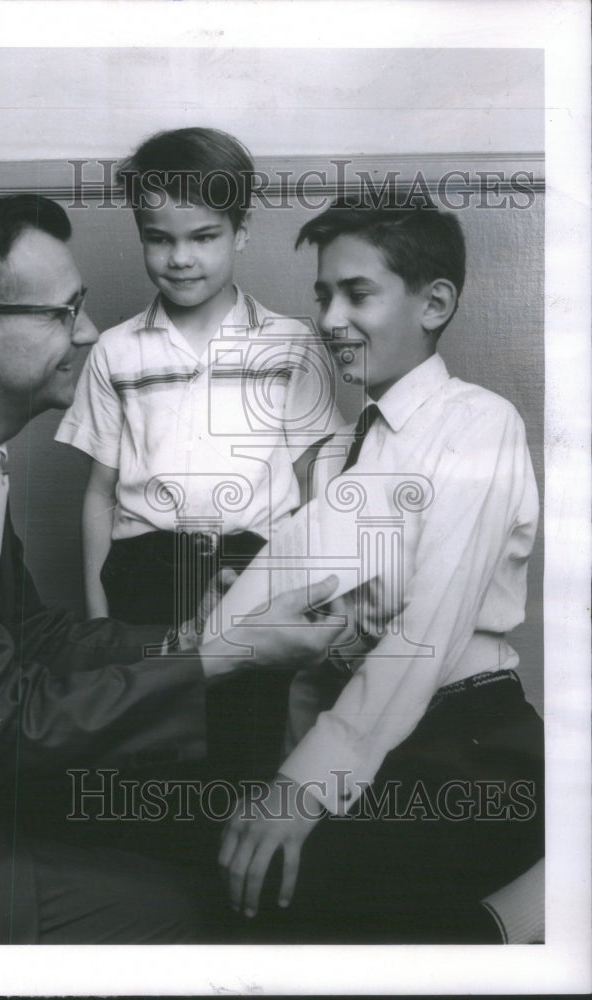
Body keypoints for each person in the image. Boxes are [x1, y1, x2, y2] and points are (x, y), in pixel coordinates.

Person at [0, 192, 349, 945]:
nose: (85, 331)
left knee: (187, 840)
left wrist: (196, 633)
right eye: (63, 312)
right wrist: (224, 654)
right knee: (182, 907)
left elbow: (33, 637)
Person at [218, 200, 545, 943]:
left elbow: (428, 629)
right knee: (260, 875)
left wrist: (305, 787)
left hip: (470, 736)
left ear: (434, 303)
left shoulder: (477, 422)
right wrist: (285, 770)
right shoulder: (336, 454)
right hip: (373, 727)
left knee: (334, 894)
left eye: (355, 293)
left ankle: (518, 918)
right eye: (321, 295)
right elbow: (317, 650)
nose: (330, 318)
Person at [56, 127, 332, 632]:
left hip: (259, 568)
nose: (180, 258)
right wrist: (99, 621)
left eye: (203, 237)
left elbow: (317, 480)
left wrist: (308, 589)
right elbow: (100, 494)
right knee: (149, 706)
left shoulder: (291, 344)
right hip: (143, 573)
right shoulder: (115, 351)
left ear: (241, 230)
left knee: (249, 710)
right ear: (141, 235)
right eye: (160, 239)